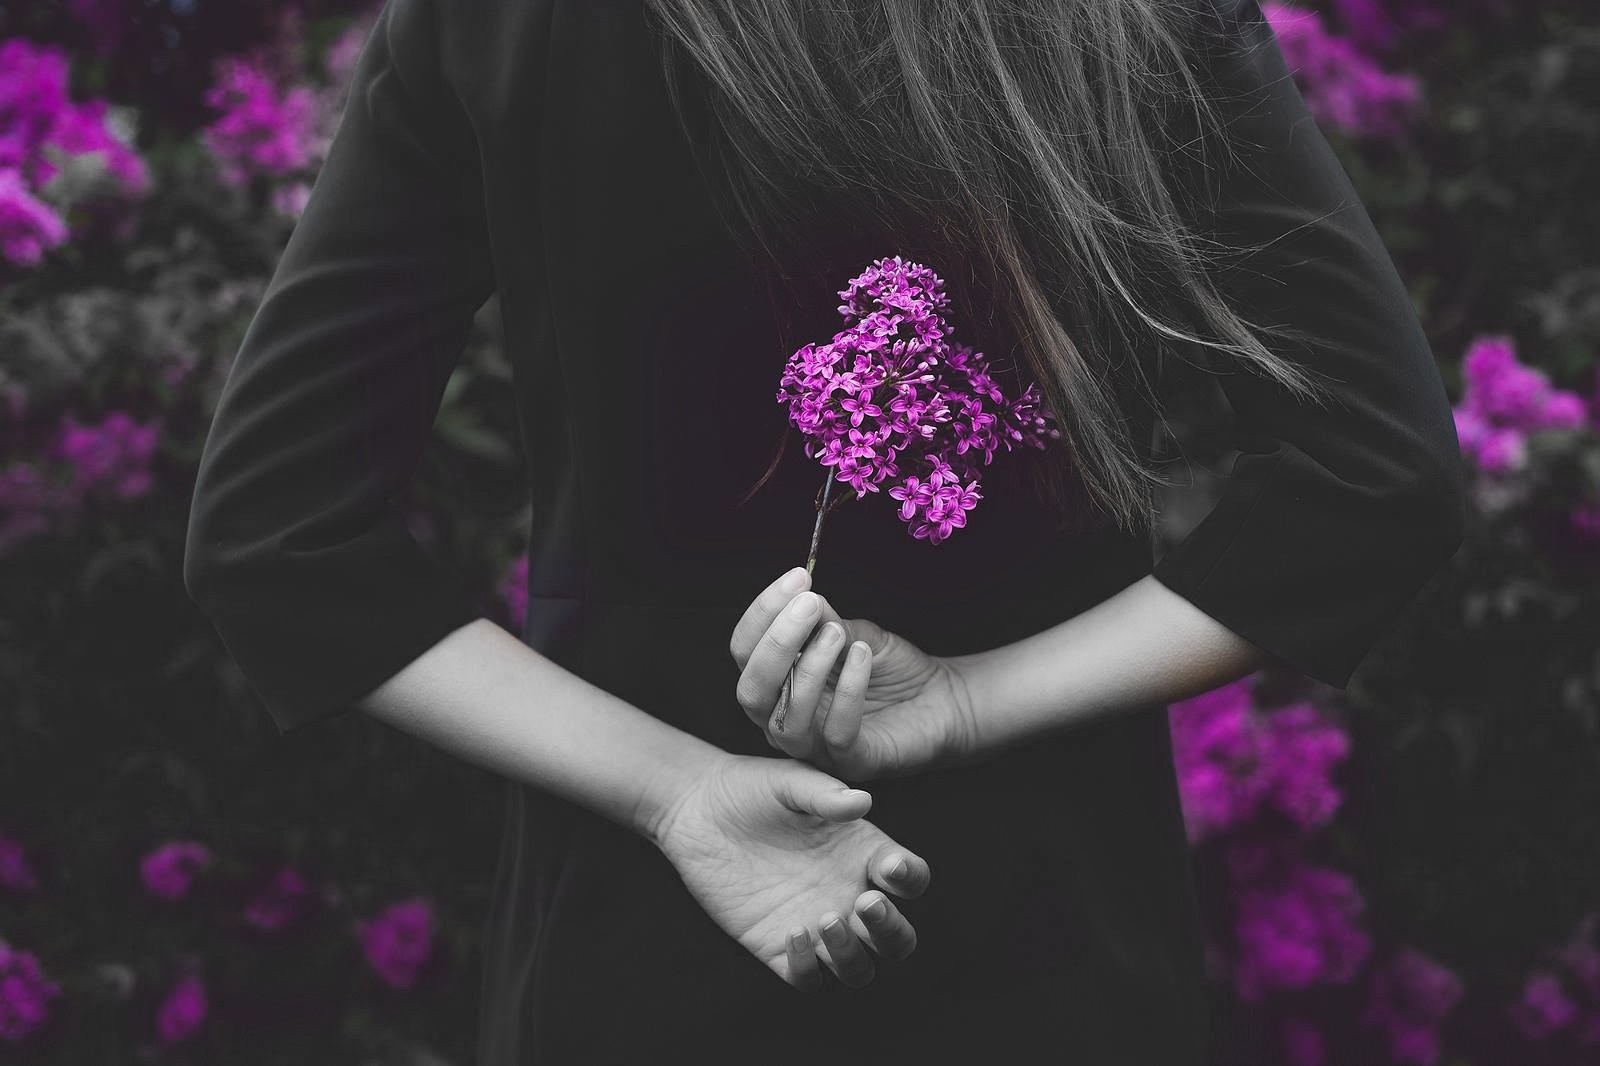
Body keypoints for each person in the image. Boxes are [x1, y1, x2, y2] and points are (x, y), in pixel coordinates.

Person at [182, 0, 1465, 1061]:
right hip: (1051, 927)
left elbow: (280, 534)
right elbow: (1375, 477)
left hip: (640, 940)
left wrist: (680, 793)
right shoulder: (1123, 22)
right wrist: (964, 703)